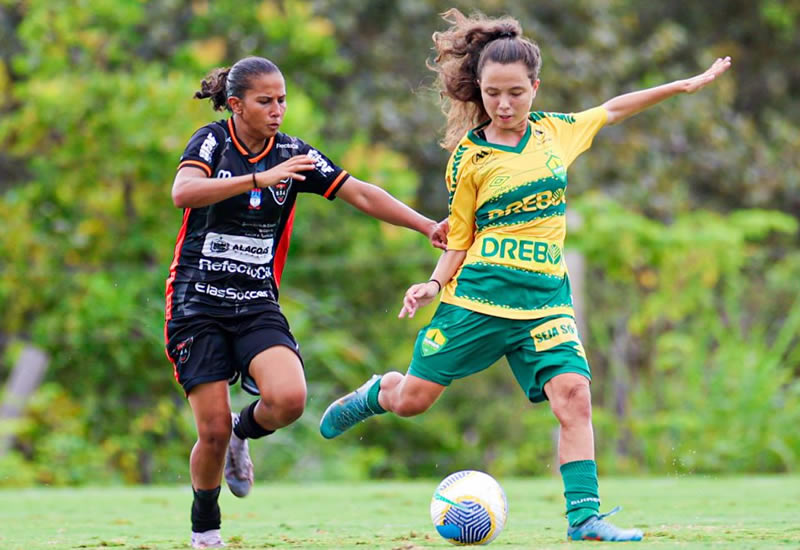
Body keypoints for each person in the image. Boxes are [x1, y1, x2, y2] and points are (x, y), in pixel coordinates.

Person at [319, 8, 731, 543]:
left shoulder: (557, 133)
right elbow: (460, 237)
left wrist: (684, 85)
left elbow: (613, 108)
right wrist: (434, 285)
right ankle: (379, 392)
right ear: (479, 92)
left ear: (535, 87)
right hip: (479, 301)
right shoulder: (469, 158)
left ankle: (584, 518)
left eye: (516, 92)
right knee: (414, 402)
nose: (504, 104)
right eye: (492, 94)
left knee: (574, 395)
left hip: (545, 303)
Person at [164, 56, 448, 549]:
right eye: (265, 101)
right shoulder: (212, 141)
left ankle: (242, 431)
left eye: (282, 100)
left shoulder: (295, 153)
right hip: (196, 306)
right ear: (236, 104)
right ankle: (205, 529)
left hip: (255, 304)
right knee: (207, 433)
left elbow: (359, 193)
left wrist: (426, 225)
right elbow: (183, 192)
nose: (278, 110)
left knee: (290, 399)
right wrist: (259, 179)